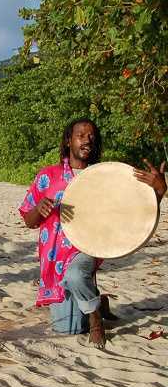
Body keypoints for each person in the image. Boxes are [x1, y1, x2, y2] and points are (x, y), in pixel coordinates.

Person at [19, 118, 166, 348]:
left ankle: (96, 317)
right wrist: (39, 210)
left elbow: (136, 213)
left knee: (76, 276)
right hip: (55, 258)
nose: (88, 140)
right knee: (68, 328)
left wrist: (158, 191)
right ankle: (99, 300)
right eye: (81, 135)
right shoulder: (48, 176)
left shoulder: (105, 176)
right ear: (69, 141)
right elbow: (29, 220)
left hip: (87, 248)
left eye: (92, 136)